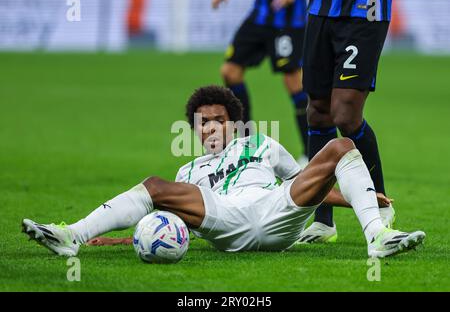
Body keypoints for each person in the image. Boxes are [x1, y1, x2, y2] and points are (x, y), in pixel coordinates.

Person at [22, 86, 424, 258]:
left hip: (277, 212)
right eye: (203, 123)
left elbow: (299, 183)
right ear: (195, 130)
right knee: (155, 186)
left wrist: (358, 199)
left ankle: (379, 237)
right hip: (225, 220)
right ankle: (72, 235)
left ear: (234, 122)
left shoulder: (263, 144)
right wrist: (120, 240)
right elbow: (167, 223)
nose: (211, 127)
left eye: (218, 119)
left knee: (339, 147)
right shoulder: (189, 169)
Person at [298, 0, 395, 243]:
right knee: (318, 112)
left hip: (364, 10)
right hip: (320, 9)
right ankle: (322, 220)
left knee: (345, 114)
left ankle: (381, 205)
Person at [213, 0, 309, 165]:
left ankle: (310, 153)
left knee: (293, 82)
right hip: (259, 18)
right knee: (230, 71)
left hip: (289, 22)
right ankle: (247, 145)